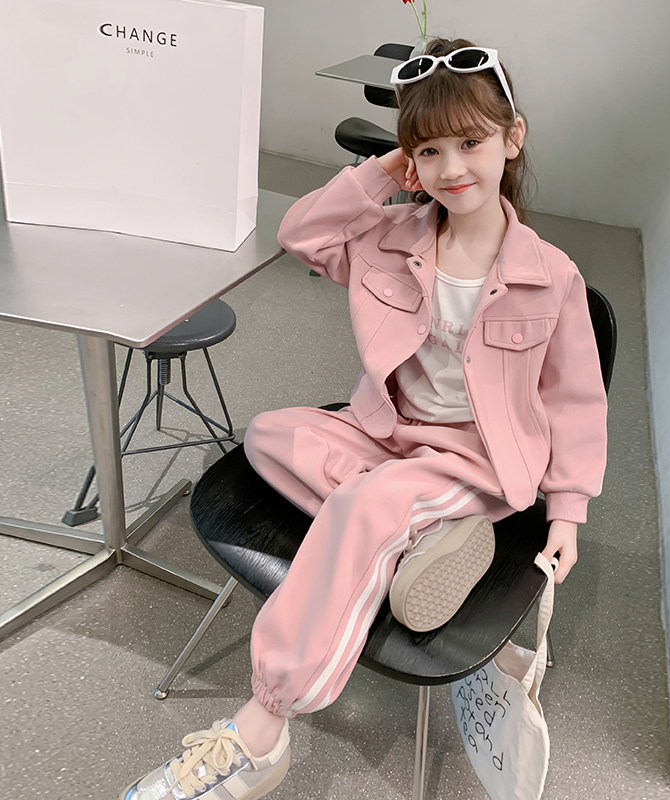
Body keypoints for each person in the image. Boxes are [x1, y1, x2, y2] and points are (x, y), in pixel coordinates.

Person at [121, 37, 607, 800]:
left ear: (512, 138)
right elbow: (301, 234)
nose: (451, 168)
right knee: (269, 434)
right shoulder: (393, 238)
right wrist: (384, 170)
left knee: (360, 505)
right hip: (383, 434)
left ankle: (261, 730)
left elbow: (577, 400)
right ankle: (410, 535)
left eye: (471, 143)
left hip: (474, 461)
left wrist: (568, 510)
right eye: (430, 150)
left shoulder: (552, 277)